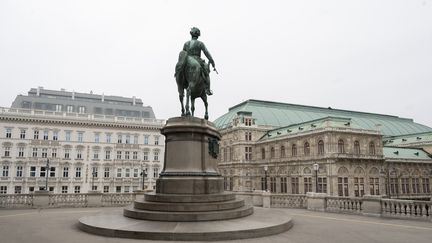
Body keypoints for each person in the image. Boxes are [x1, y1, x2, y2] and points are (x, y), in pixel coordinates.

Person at [181, 27, 215, 95]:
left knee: (181, 70)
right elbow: (206, 52)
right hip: (197, 59)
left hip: (187, 60)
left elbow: (183, 54)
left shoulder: (186, 44)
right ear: (198, 35)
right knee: (206, 71)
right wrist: (212, 61)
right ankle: (208, 89)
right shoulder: (200, 43)